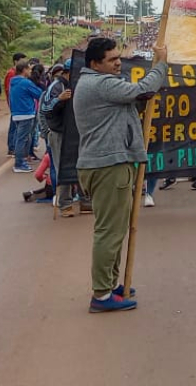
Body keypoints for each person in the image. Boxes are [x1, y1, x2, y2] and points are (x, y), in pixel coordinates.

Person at [74, 37, 168, 313]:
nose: (119, 62)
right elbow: (143, 89)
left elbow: (138, 97)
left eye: (118, 57)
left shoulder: (97, 82)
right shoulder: (100, 84)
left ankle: (110, 284)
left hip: (108, 163)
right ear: (95, 63)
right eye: (112, 59)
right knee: (109, 232)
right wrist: (161, 63)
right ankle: (101, 295)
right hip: (108, 165)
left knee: (114, 230)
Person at [41, 61, 75, 216]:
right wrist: (59, 99)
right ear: (67, 72)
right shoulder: (55, 87)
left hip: (75, 132)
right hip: (59, 133)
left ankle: (85, 200)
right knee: (63, 167)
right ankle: (65, 204)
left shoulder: (78, 85)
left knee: (82, 165)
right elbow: (45, 108)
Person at [9, 60, 43, 173]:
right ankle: (19, 163)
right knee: (22, 139)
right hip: (26, 114)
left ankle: (21, 160)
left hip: (16, 113)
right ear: (24, 70)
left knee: (20, 138)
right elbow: (39, 94)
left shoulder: (13, 82)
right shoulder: (25, 83)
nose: (30, 71)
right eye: (28, 69)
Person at [5, 52, 27, 155]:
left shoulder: (17, 73)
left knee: (16, 126)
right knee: (14, 126)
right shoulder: (11, 73)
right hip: (15, 104)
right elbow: (9, 90)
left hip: (18, 104)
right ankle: (12, 147)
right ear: (16, 61)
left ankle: (14, 147)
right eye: (22, 60)